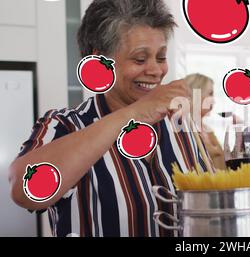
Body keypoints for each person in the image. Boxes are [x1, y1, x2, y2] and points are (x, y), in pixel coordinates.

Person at [8, 0, 212, 237]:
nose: (156, 71)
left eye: (161, 57)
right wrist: (134, 113)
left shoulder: (180, 124)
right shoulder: (65, 125)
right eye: (139, 59)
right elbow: (24, 192)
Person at [185, 73, 226, 170]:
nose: (214, 101)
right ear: (196, 95)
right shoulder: (183, 130)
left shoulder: (208, 130)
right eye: (210, 93)